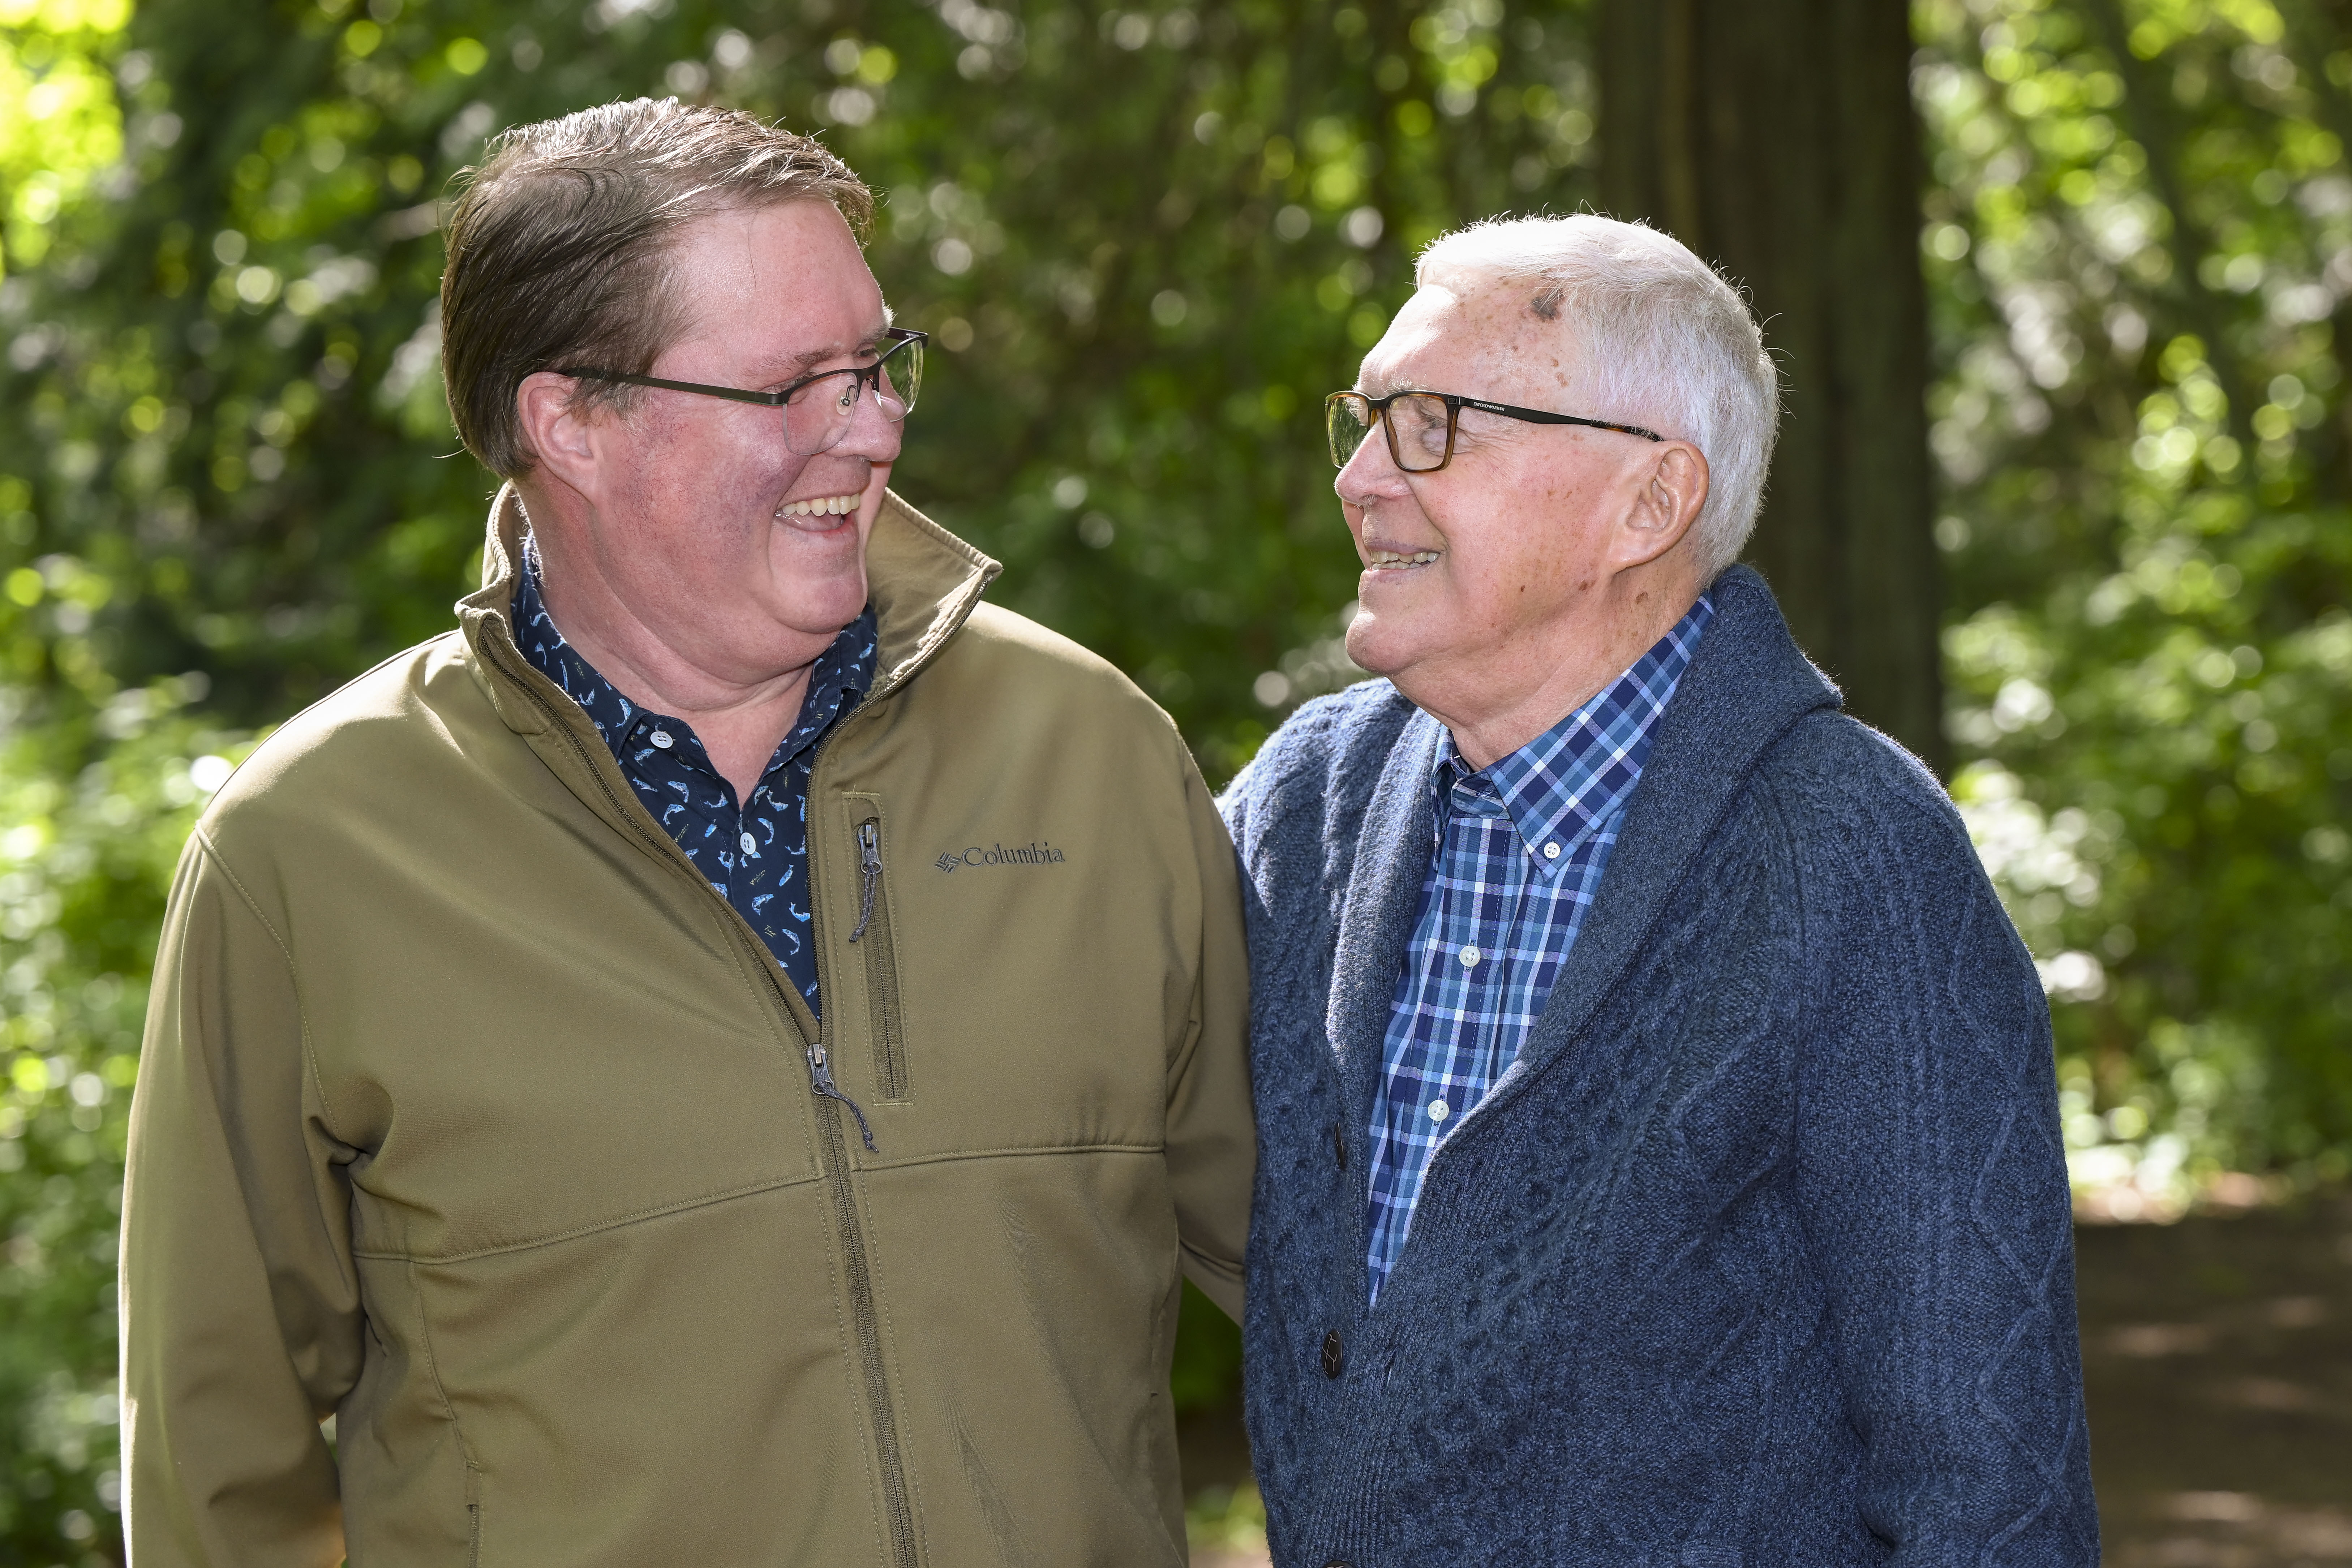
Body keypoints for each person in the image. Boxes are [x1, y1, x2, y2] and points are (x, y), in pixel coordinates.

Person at [119, 98, 1252, 1568]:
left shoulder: (1091, 752)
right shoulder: (308, 850)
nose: (878, 424)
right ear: (572, 420)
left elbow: (1324, 1297)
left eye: (879, 364)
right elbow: (219, 1473)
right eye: (795, 384)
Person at [1221, 214, 2097, 1565]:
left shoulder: (1852, 858)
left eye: (1435, 423)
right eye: (1367, 414)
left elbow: (1988, 1492)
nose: (1359, 476)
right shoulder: (1306, 803)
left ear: (1650, 502)